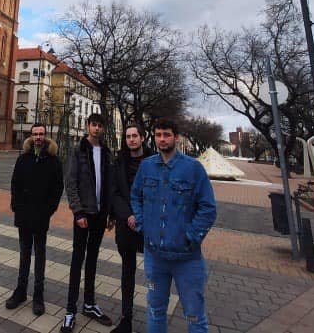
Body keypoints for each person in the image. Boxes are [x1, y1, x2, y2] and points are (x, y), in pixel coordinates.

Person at [131, 119, 217, 333]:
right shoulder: (146, 166)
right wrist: (143, 224)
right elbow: (135, 196)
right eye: (158, 135)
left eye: (167, 134)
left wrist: (191, 236)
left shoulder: (193, 168)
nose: (162, 139)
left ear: (176, 137)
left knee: (194, 315)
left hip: (186, 259)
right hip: (155, 257)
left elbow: (208, 208)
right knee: (155, 310)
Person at [60, 113, 115, 333]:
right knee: (77, 260)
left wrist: (110, 213)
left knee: (92, 259)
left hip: (100, 215)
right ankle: (70, 310)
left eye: (100, 125)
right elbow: (70, 182)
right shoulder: (78, 150)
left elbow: (110, 185)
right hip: (84, 214)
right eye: (94, 125)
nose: (97, 129)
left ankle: (89, 304)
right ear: (87, 126)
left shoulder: (107, 152)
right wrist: (78, 211)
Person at [6, 123, 64, 316]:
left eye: (41, 134)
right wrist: (16, 204)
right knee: (24, 253)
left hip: (41, 214)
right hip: (24, 213)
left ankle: (38, 295)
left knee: (39, 255)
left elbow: (58, 188)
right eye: (35, 134)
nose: (38, 137)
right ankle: (20, 291)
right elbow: (15, 182)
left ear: (46, 136)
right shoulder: (23, 158)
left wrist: (49, 209)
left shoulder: (53, 160)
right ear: (30, 137)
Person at [110, 124, 153, 333]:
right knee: (127, 272)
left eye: (135, 136)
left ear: (142, 138)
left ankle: (156, 321)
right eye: (128, 136)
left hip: (149, 225)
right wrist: (127, 215)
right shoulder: (119, 162)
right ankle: (126, 319)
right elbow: (115, 192)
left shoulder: (154, 161)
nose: (131, 140)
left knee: (154, 274)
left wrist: (141, 215)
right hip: (126, 224)